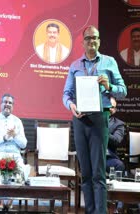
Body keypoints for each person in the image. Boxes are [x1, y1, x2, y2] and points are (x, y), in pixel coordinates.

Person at [63, 25, 127, 214]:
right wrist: (71, 106)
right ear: (83, 42)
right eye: (89, 38)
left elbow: (123, 90)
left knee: (98, 173)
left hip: (100, 119)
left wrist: (109, 86)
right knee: (86, 173)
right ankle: (89, 211)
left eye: (96, 38)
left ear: (99, 41)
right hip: (80, 120)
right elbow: (66, 94)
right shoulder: (75, 66)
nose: (93, 41)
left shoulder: (109, 62)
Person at [0, 93, 27, 211]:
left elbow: (23, 144)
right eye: (5, 102)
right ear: (1, 104)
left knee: (20, 169)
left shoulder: (17, 121)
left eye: (10, 103)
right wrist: (3, 138)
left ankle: (10, 202)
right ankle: (0, 202)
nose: (7, 104)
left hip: (14, 154)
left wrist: (15, 135)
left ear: (13, 106)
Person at [106, 97, 125, 173]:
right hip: (92, 157)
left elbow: (116, 140)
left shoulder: (118, 124)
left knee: (119, 165)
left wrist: (103, 131)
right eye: (108, 106)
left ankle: (114, 184)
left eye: (112, 107)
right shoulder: (93, 121)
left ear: (115, 110)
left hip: (108, 158)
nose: (110, 109)